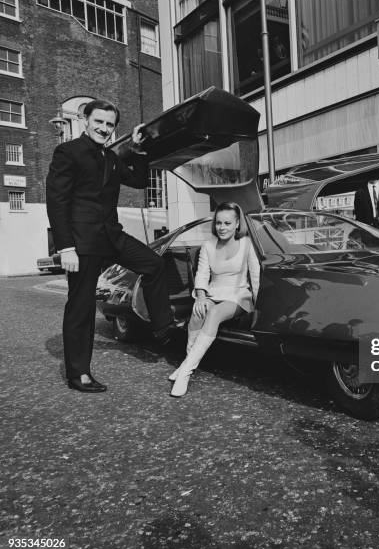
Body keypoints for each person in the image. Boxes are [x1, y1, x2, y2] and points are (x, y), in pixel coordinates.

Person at [46, 99, 175, 393]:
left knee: (154, 264)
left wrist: (139, 149)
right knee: (81, 306)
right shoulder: (68, 152)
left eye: (110, 124)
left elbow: (141, 180)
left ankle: (162, 326)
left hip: (112, 236)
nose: (104, 128)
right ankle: (78, 373)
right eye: (99, 122)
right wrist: (65, 247)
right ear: (85, 120)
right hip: (82, 242)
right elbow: (57, 201)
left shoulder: (113, 157)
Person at [170, 202, 260, 397]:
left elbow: (255, 277)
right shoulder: (208, 245)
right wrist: (200, 298)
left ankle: (185, 372)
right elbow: (202, 276)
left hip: (239, 296)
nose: (222, 227)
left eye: (227, 223)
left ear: (237, 224)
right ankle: (187, 363)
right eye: (218, 223)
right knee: (197, 313)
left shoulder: (247, 244)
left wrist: (260, 307)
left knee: (215, 313)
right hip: (214, 292)